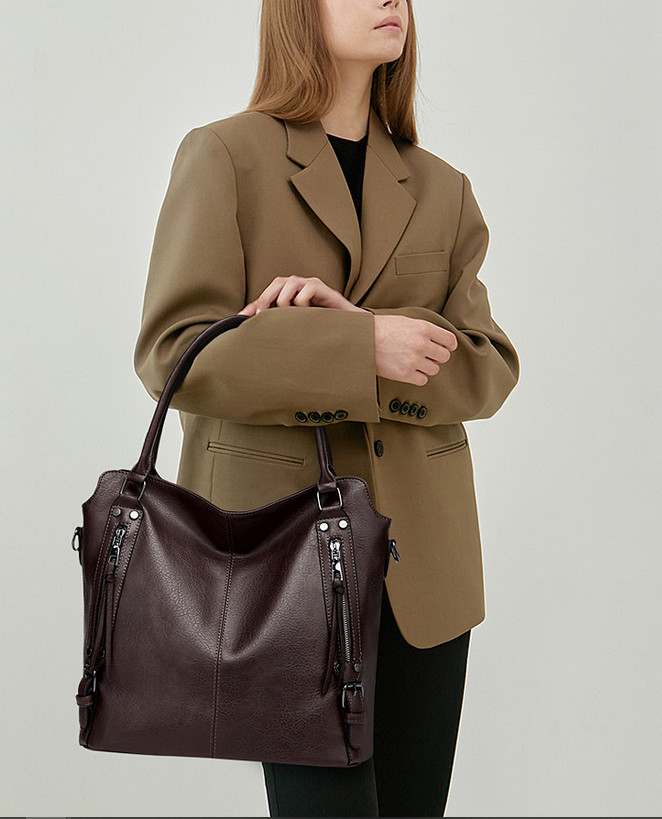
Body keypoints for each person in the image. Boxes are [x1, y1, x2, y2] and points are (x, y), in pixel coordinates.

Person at [133, 0, 520, 815]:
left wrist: (381, 345)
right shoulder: (224, 157)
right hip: (277, 568)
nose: (391, 0)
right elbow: (174, 352)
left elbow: (488, 368)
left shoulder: (443, 188)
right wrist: (358, 348)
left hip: (424, 571)